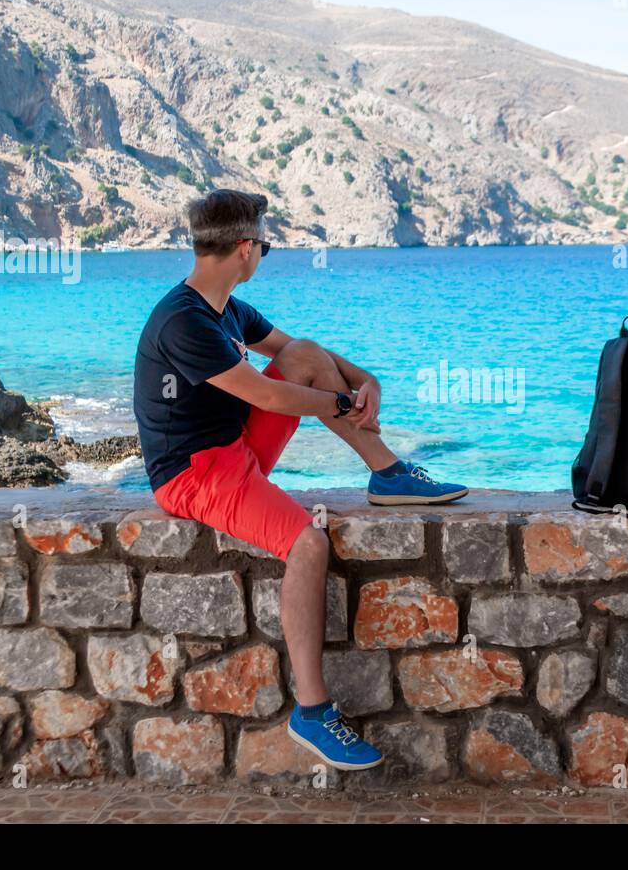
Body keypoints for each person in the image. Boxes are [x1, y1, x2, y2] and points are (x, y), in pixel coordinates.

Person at [132, 190, 467, 770]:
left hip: (235, 447)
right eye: (265, 242)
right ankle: (312, 709)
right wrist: (341, 401)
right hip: (192, 472)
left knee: (308, 354)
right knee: (308, 541)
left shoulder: (229, 309)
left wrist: (367, 381)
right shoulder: (182, 321)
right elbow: (265, 393)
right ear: (244, 248)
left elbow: (296, 353)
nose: (264, 252)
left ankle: (387, 473)